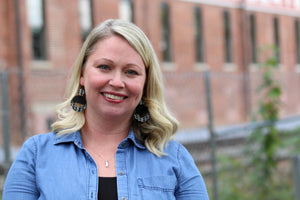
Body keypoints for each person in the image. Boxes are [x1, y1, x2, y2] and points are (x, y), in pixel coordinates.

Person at [3, 19, 209, 200]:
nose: (117, 82)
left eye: (131, 72)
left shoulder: (175, 159)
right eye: (104, 67)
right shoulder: (36, 155)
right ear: (82, 74)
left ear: (146, 84)